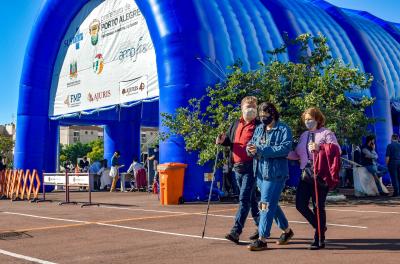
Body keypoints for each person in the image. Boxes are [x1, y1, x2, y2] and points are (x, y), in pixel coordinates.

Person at [288, 107, 340, 250]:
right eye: (305, 119)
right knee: (300, 204)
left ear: (317, 119)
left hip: (321, 174)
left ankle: (319, 238)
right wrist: (285, 153)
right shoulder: (304, 135)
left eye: (310, 119)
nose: (307, 122)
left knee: (318, 206)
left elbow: (337, 150)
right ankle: (320, 227)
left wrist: (320, 147)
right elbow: (299, 155)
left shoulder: (326, 133)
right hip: (306, 174)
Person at [246, 102, 294, 251]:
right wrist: (250, 149)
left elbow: (285, 149)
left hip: (275, 174)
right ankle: (287, 232)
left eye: (265, 115)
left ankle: (262, 238)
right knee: (271, 204)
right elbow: (251, 144)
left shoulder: (283, 129)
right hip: (260, 173)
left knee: (264, 204)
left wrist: (261, 149)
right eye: (260, 115)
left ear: (272, 114)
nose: (262, 118)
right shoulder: (259, 129)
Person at [216, 96, 260, 244]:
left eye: (254, 106)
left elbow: (262, 144)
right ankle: (262, 226)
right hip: (237, 167)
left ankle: (236, 231)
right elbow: (229, 140)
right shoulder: (235, 123)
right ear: (242, 108)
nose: (251, 109)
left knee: (244, 199)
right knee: (252, 199)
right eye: (248, 106)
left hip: (251, 167)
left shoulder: (259, 126)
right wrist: (222, 141)